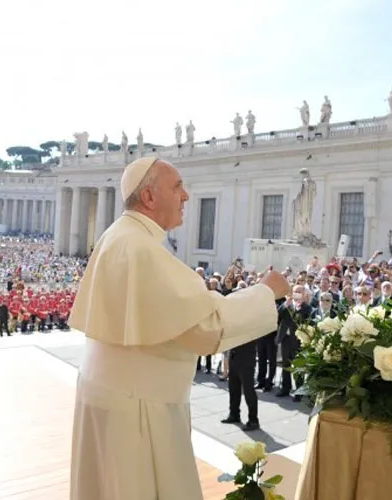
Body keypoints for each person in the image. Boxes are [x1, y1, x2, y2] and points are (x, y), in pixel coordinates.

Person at [68, 156, 291, 500]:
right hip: (139, 408)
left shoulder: (121, 237)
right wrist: (266, 292)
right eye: (177, 187)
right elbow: (204, 328)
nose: (186, 196)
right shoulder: (140, 248)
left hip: (116, 396)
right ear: (149, 197)